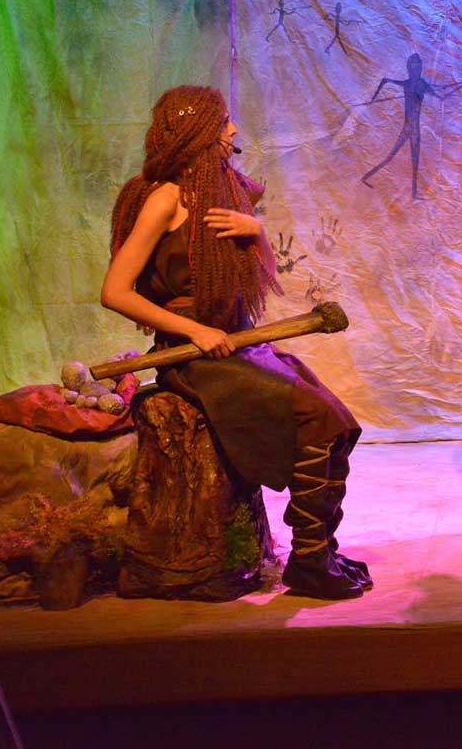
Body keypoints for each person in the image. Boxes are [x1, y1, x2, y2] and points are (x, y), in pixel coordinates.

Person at [101, 85, 371, 599]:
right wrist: (196, 330)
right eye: (224, 121)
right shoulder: (165, 198)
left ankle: (318, 551)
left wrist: (255, 230)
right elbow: (114, 291)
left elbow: (265, 274)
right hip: (196, 357)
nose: (233, 130)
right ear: (197, 132)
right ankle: (310, 560)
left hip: (239, 343)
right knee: (315, 416)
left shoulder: (227, 189)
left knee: (336, 420)